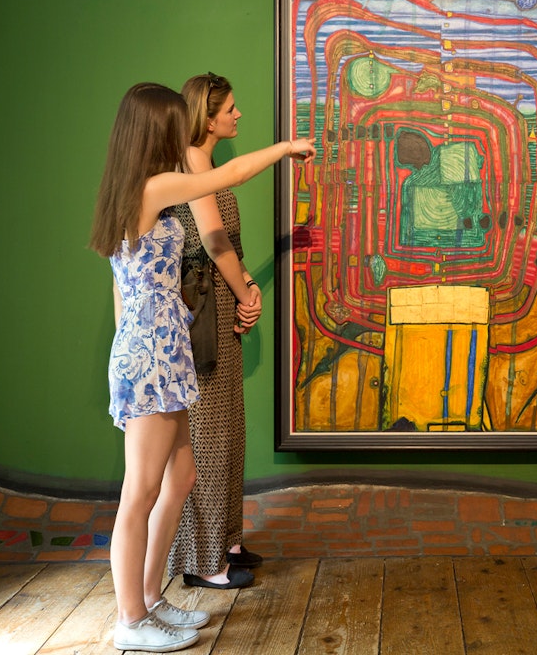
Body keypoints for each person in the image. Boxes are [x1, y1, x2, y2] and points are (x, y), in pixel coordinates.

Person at [89, 82, 313, 652]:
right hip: (151, 353)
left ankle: (151, 600)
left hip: (162, 348)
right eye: (171, 122)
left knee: (180, 479)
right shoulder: (153, 186)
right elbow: (229, 177)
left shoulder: (137, 191)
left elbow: (123, 290)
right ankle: (129, 619)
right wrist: (285, 148)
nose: (178, 130)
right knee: (138, 492)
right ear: (152, 129)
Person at [168, 72, 273, 590]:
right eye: (230, 108)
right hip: (202, 312)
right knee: (207, 433)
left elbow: (229, 245)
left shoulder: (203, 161)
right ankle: (203, 561)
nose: (237, 115)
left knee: (228, 425)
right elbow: (213, 242)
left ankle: (227, 540)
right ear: (208, 118)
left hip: (220, 298)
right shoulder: (192, 162)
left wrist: (246, 286)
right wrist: (248, 293)